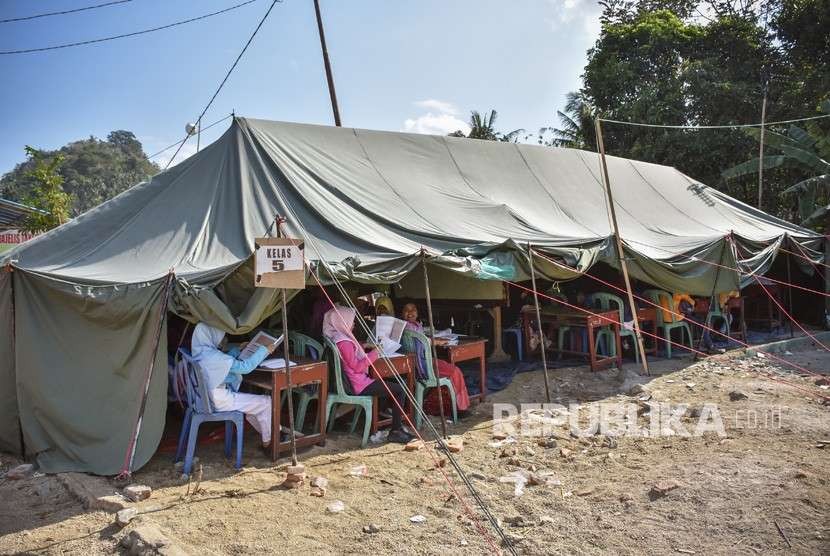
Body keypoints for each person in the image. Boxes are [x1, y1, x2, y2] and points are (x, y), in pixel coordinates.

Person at [322, 305, 414, 444]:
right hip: (358, 384)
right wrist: (375, 353)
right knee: (400, 389)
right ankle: (396, 430)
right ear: (342, 322)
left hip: (353, 381)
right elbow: (358, 367)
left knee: (388, 386)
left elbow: (350, 355)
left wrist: (363, 346)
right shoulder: (345, 342)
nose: (353, 324)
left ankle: (384, 418)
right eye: (351, 321)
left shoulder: (336, 336)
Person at [191, 323, 276, 448]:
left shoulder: (200, 352)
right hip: (219, 400)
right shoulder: (214, 357)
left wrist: (237, 350)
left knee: (255, 405)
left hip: (203, 399)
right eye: (219, 336)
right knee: (266, 402)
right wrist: (264, 351)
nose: (222, 340)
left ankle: (271, 433)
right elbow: (245, 368)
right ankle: (270, 440)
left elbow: (221, 363)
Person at [400, 303, 471, 416]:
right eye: (406, 310)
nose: (410, 313)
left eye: (413, 309)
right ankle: (460, 409)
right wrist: (438, 342)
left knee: (445, 365)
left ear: (417, 312)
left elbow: (421, 341)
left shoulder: (413, 325)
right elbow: (423, 341)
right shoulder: (408, 327)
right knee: (455, 371)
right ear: (402, 313)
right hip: (422, 365)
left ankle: (454, 405)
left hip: (415, 364)